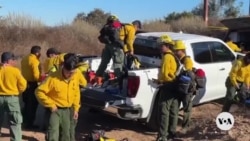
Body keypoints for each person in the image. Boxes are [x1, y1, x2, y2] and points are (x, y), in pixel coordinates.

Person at [35, 53, 87, 141]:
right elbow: (39, 91)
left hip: (68, 109)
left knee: (66, 134)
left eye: (72, 73)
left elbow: (76, 93)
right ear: (63, 67)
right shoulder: (53, 77)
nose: (70, 75)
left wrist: (76, 109)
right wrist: (50, 104)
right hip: (55, 110)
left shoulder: (76, 74)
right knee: (53, 133)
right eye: (68, 73)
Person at [95, 15, 141, 86]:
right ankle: (120, 82)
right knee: (118, 63)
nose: (137, 30)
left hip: (108, 45)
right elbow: (129, 41)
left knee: (104, 62)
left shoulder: (121, 25)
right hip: (116, 47)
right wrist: (131, 50)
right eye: (137, 29)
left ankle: (98, 78)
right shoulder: (131, 28)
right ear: (136, 26)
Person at [154, 34, 179, 141]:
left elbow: (164, 73)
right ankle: (172, 133)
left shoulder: (167, 56)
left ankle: (162, 136)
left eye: (161, 45)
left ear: (167, 45)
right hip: (175, 85)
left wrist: (159, 81)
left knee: (164, 111)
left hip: (167, 86)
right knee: (173, 111)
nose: (160, 48)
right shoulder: (173, 55)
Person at [0, 52, 27, 141]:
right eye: (13, 60)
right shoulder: (15, 71)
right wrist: (18, 92)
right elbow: (23, 85)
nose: (14, 61)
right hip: (12, 98)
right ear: (8, 61)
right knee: (15, 122)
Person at [173, 40, 195, 133]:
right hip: (180, 87)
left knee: (186, 109)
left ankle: (186, 126)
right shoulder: (178, 60)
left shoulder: (187, 60)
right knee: (176, 107)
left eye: (177, 50)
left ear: (182, 50)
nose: (175, 52)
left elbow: (187, 75)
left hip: (187, 88)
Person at [21, 45, 42, 129]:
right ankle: (29, 124)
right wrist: (40, 80)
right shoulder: (34, 60)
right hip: (32, 84)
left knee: (26, 104)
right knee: (32, 105)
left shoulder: (25, 58)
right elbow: (36, 75)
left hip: (25, 83)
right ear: (37, 53)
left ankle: (24, 121)